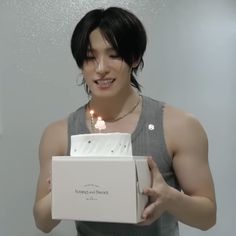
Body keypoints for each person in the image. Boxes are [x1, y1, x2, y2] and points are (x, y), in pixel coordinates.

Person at [33, 6, 216, 236]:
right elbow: (42, 222)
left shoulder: (178, 126)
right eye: (90, 58)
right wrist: (64, 190)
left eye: (114, 55)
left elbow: (207, 217)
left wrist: (169, 198)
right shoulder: (59, 134)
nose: (100, 69)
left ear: (135, 58)